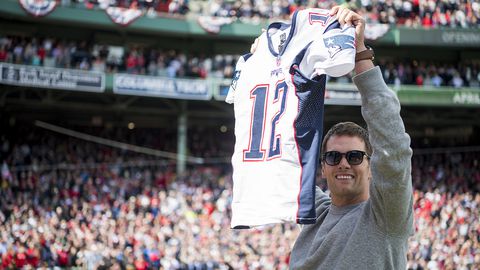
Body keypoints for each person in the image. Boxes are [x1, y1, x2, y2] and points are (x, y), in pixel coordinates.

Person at [251, 6, 414, 269]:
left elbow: (393, 149)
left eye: (355, 156)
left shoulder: (385, 218)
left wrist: (360, 53)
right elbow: (275, 156)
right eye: (333, 157)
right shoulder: (315, 214)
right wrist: (266, 66)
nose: (344, 163)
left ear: (371, 166)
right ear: (323, 168)